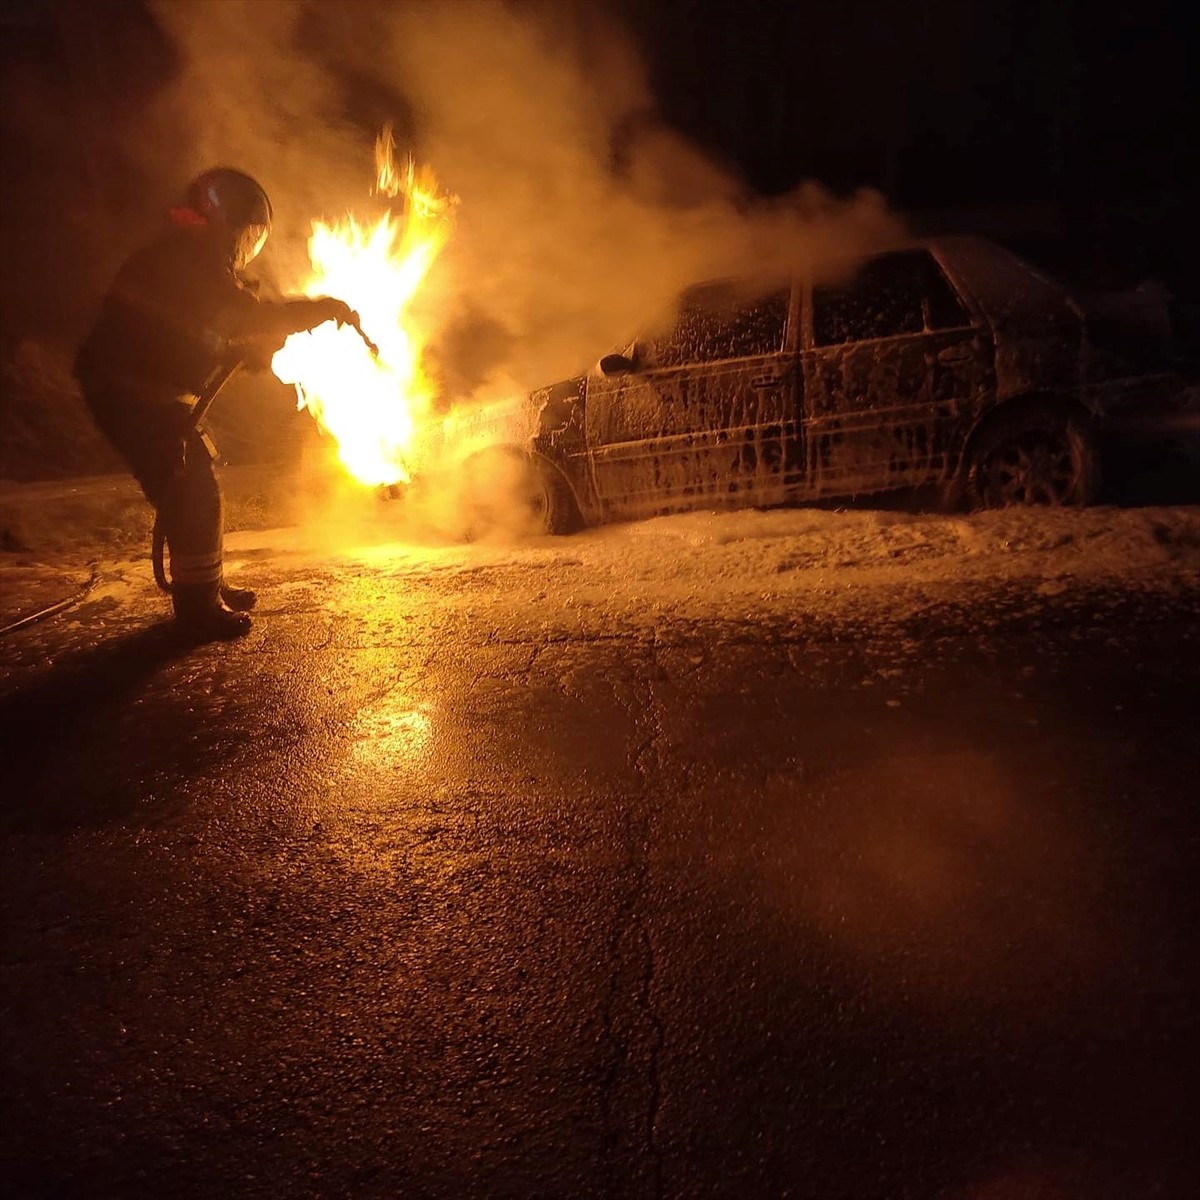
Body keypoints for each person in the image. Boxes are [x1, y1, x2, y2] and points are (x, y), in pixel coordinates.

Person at [74, 168, 357, 640]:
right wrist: (320, 309)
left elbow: (199, 332)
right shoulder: (191, 258)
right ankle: (198, 606)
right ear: (234, 225)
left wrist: (242, 349)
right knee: (191, 488)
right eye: (248, 232)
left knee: (193, 479)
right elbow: (245, 317)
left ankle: (206, 581)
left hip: (142, 387)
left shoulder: (183, 255)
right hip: (129, 391)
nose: (246, 244)